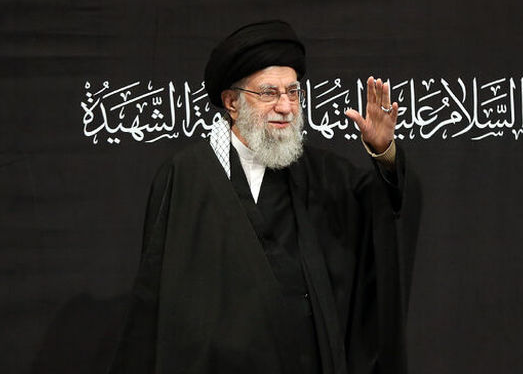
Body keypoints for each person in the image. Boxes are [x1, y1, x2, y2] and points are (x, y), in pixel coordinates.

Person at [109, 20, 410, 374]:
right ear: (232, 103)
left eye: (293, 93)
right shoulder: (185, 177)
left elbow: (380, 216)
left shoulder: (324, 174)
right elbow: (158, 299)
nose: (286, 106)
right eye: (269, 93)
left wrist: (383, 152)